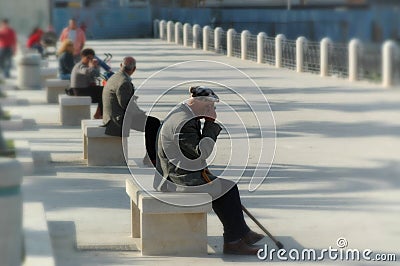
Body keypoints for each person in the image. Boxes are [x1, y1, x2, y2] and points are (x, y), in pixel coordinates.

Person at [153, 86, 264, 255]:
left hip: (180, 172)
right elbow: (202, 152)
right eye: (209, 107)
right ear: (198, 103)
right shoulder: (183, 123)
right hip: (177, 179)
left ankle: (242, 233)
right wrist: (210, 123)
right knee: (228, 189)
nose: (212, 110)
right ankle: (234, 242)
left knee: (224, 187)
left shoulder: (185, 113)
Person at [102, 56, 160, 166]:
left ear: (120, 66)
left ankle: (150, 156)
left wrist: (139, 113)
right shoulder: (124, 82)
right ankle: (151, 158)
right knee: (153, 124)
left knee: (151, 122)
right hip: (117, 120)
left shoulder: (115, 77)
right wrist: (140, 113)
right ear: (134, 69)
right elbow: (126, 105)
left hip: (111, 116)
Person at [69, 48, 103, 119]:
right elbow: (87, 72)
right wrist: (92, 66)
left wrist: (96, 67)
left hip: (85, 89)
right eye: (88, 58)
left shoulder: (88, 65)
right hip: (79, 91)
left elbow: (96, 74)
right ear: (82, 57)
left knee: (105, 91)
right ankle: (99, 114)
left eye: (91, 58)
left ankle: (98, 113)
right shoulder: (80, 65)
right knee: (103, 93)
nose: (90, 60)